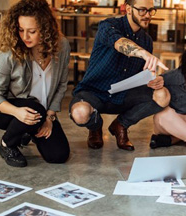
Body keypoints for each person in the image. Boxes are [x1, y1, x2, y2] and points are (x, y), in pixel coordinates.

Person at [69, 0, 170, 151]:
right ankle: (95, 126)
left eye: (151, 11)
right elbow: (120, 43)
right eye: (142, 10)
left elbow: (143, 74)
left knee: (163, 95)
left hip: (124, 94)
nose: (148, 15)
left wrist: (154, 80)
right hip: (95, 92)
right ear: (128, 9)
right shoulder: (108, 26)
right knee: (80, 113)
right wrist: (142, 53)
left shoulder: (146, 40)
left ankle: (120, 125)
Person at [0, 0, 70, 167]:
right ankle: (7, 144)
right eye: (21, 30)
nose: (24, 37)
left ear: (45, 29)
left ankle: (27, 132)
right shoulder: (9, 52)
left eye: (32, 31)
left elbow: (62, 84)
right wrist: (16, 112)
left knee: (58, 155)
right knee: (35, 108)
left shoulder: (62, 46)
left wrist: (49, 118)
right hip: (8, 110)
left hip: (40, 113)